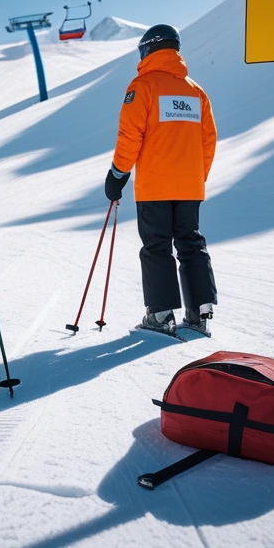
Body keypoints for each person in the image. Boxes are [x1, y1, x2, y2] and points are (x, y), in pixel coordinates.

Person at [105, 24, 217, 335]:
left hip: (155, 185)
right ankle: (200, 311)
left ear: (148, 50)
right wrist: (196, 177)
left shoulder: (143, 86)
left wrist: (117, 174)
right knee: (190, 243)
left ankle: (161, 314)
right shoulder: (196, 92)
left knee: (156, 247)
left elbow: (131, 136)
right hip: (189, 186)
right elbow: (209, 140)